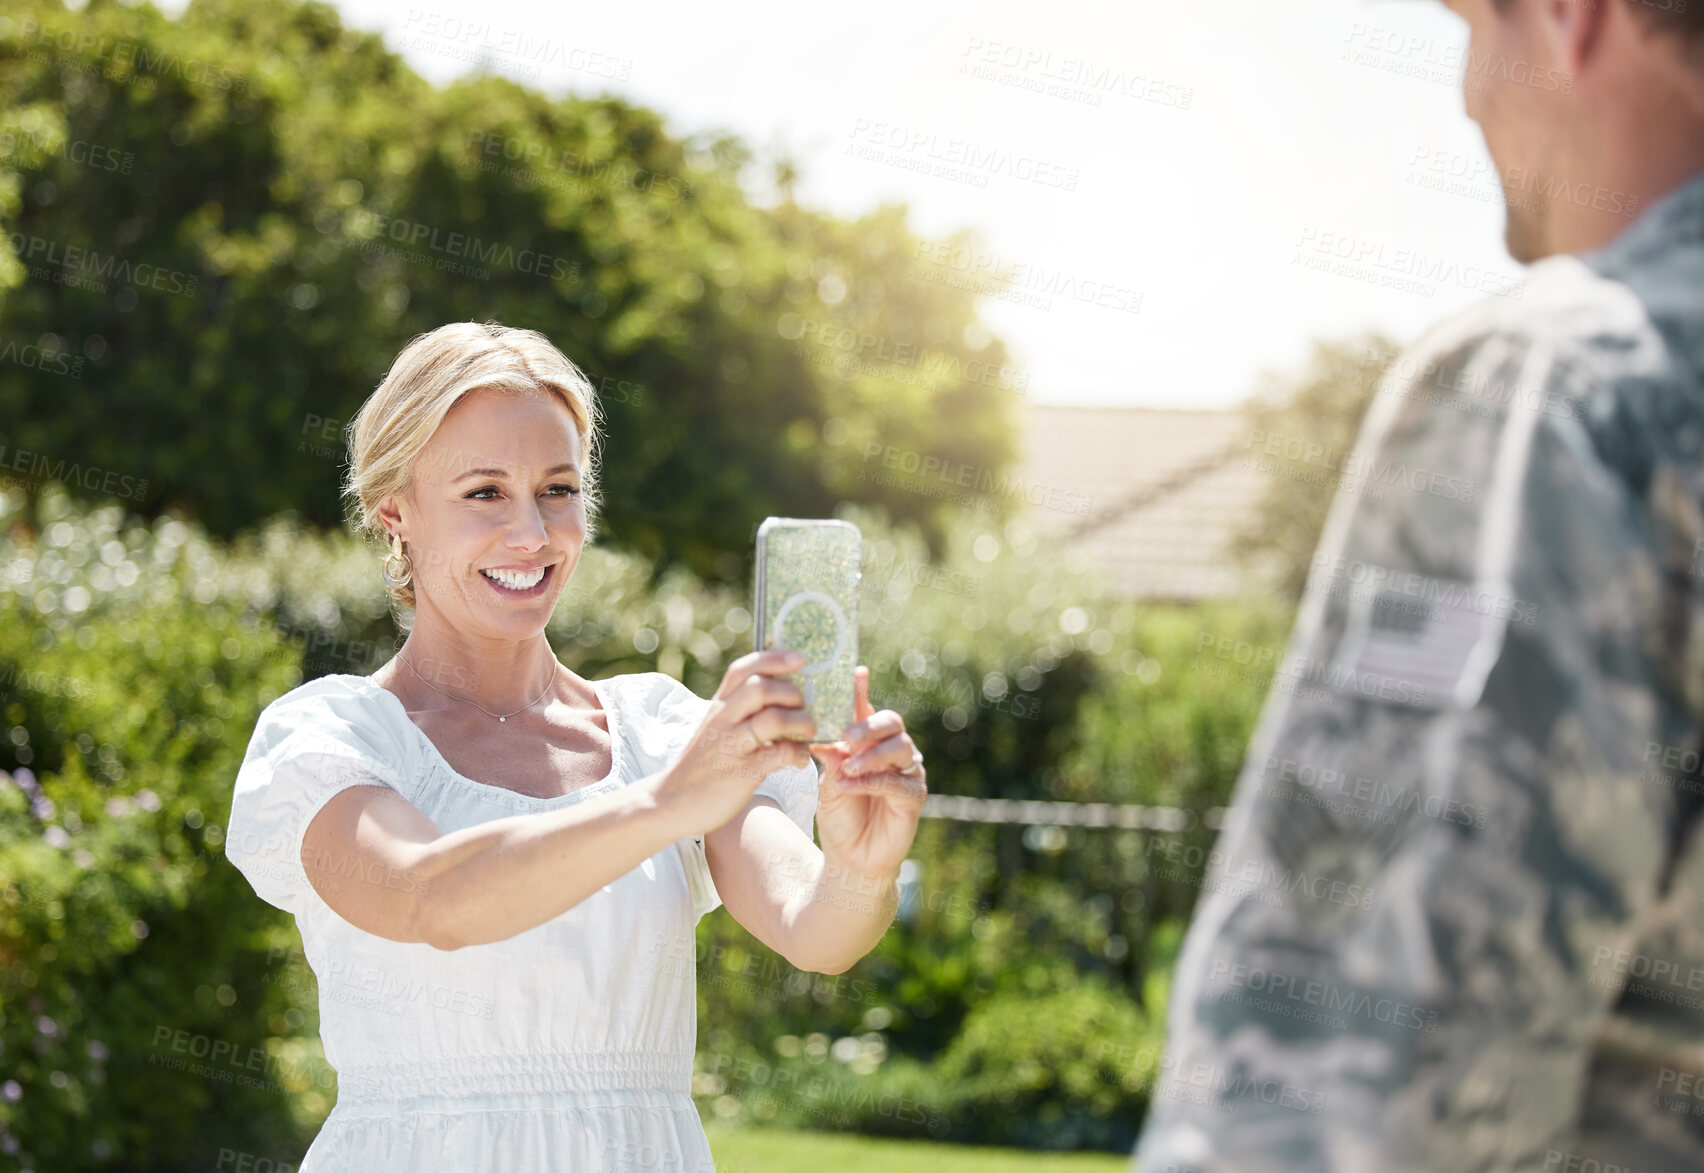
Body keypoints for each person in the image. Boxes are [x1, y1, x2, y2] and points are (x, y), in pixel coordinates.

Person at [1135, 1, 1704, 1169]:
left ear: (1568, 17)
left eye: (1471, 25)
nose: (1464, 93)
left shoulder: (1568, 385)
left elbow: (1347, 1098)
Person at [224, 321, 927, 1172]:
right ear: (395, 511)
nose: (533, 533)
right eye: (485, 492)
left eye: (557, 489)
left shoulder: (664, 733)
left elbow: (817, 931)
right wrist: (665, 803)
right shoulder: (332, 740)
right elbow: (428, 898)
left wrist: (861, 863)